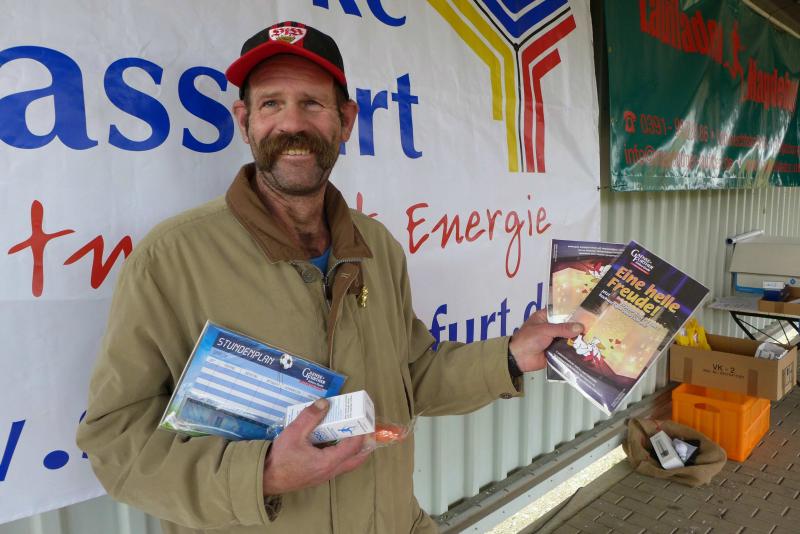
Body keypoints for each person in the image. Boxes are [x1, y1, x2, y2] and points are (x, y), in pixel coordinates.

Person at [76, 21, 584, 534]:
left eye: (312, 104)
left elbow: (411, 377)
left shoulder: (375, 247)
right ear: (244, 121)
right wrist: (261, 475)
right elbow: (116, 441)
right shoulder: (171, 259)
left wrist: (511, 356)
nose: (291, 123)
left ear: (346, 120)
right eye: (271, 104)